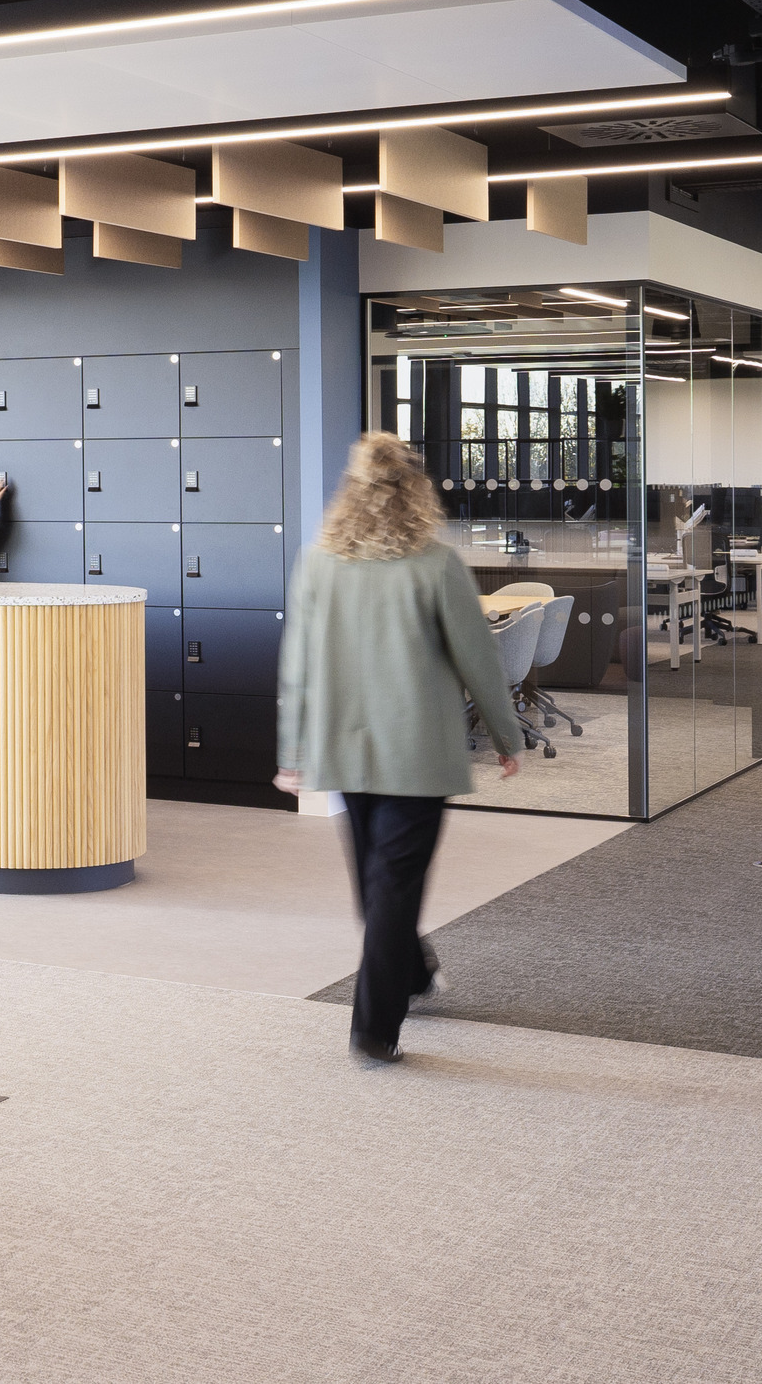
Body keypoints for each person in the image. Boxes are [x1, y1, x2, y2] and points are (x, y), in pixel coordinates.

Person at [275, 430, 523, 1068]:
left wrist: (293, 748)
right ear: (416, 490)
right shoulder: (437, 563)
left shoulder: (317, 562)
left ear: (349, 491)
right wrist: (507, 736)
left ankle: (411, 972)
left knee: (378, 882)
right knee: (389, 886)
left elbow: (297, 664)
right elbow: (478, 658)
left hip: (344, 747)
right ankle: (373, 1028)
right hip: (416, 752)